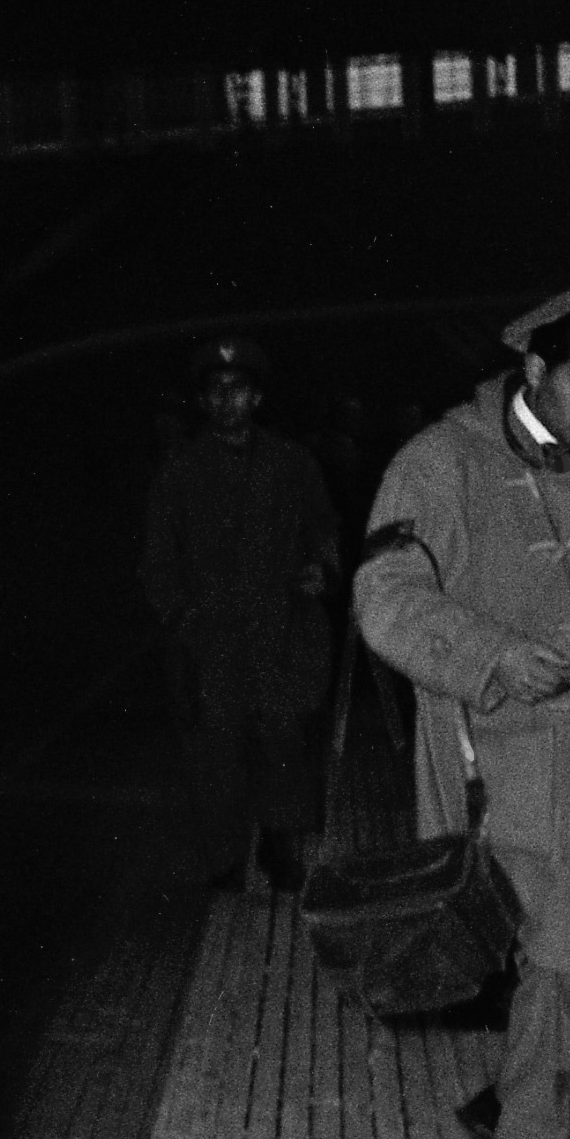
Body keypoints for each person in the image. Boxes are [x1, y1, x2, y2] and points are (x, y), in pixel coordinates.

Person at [355, 287, 570, 1139]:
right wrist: (493, 653)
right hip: (505, 762)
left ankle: (510, 1096)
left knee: (558, 960)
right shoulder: (442, 463)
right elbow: (384, 596)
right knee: (569, 957)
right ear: (535, 367)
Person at [140, 335, 341, 891]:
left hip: (279, 626)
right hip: (214, 635)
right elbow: (157, 559)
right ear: (204, 402)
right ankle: (224, 859)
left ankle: (280, 851)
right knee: (216, 750)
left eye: (241, 390)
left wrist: (320, 570)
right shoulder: (179, 474)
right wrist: (183, 623)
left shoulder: (291, 463)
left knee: (282, 741)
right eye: (218, 391)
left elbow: (323, 526)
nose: (229, 400)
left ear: (257, 398)